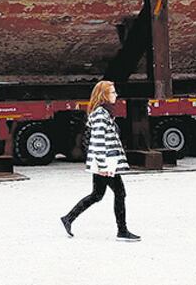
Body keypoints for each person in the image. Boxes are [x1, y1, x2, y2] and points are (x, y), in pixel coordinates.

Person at [60, 80, 140, 241]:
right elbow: (98, 141)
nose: (116, 95)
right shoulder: (100, 115)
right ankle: (122, 231)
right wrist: (103, 166)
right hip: (105, 163)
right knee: (120, 193)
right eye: (112, 92)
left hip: (104, 162)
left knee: (97, 194)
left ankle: (68, 218)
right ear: (103, 95)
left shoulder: (104, 113)